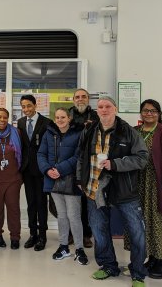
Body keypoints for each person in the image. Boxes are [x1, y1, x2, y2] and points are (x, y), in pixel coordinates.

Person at [76, 96, 148, 287]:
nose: (104, 109)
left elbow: (142, 158)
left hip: (124, 191)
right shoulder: (89, 130)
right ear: (96, 110)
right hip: (94, 189)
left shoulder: (128, 131)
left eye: (108, 106)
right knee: (99, 231)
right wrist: (79, 179)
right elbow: (81, 157)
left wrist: (115, 164)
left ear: (115, 109)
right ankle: (109, 266)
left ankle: (138, 273)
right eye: (100, 107)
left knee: (137, 233)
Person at [129, 99, 162, 279]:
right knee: (144, 222)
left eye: (153, 111)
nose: (148, 114)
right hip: (138, 185)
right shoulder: (135, 131)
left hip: (158, 185)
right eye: (145, 110)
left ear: (158, 113)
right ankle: (152, 258)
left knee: (161, 222)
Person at [37, 108, 88, 264]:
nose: (60, 120)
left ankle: (79, 249)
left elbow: (79, 156)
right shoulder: (48, 133)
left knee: (74, 216)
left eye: (63, 117)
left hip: (72, 181)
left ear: (69, 118)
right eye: (57, 117)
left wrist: (60, 169)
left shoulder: (79, 133)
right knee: (61, 215)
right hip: (53, 181)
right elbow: (41, 154)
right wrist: (47, 170)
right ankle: (64, 246)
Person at [17, 94, 51, 251]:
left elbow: (50, 147)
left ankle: (42, 236)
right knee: (31, 202)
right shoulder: (21, 122)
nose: (26, 109)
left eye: (29, 106)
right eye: (23, 107)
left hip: (42, 169)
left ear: (35, 105)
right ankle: (33, 234)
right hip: (27, 169)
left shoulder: (47, 123)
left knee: (41, 202)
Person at [0, 108, 23, 250]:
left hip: (13, 178)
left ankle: (15, 236)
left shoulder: (17, 133)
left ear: (8, 118)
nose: (2, 120)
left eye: (4, 117)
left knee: (13, 208)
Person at [69, 88, 97, 248]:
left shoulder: (95, 117)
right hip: (70, 163)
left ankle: (87, 235)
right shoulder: (67, 115)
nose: (80, 99)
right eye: (77, 97)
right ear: (73, 100)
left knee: (87, 203)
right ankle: (72, 233)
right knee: (71, 202)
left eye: (83, 97)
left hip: (89, 165)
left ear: (88, 99)